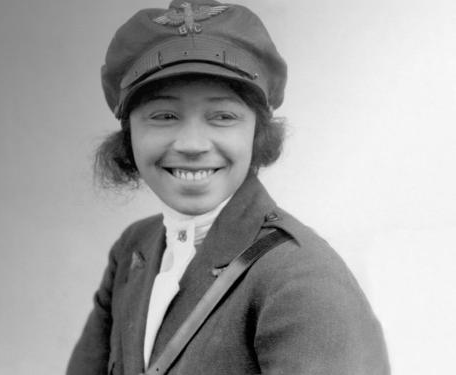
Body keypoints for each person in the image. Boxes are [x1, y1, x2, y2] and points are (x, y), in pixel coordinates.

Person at [67, 1, 390, 374]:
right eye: (164, 116)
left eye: (222, 116)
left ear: (257, 133)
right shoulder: (133, 249)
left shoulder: (301, 277)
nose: (192, 144)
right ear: (130, 135)